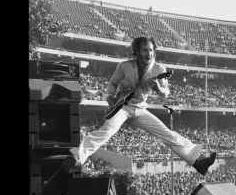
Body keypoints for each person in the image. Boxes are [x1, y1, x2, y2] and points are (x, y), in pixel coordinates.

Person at [65, 36, 216, 175]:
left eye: (151, 50)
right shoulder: (124, 66)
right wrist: (110, 97)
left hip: (140, 109)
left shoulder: (159, 70)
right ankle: (78, 157)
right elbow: (112, 84)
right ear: (137, 51)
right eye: (145, 50)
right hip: (122, 107)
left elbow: (166, 94)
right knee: (106, 132)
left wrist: (158, 88)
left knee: (167, 134)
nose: (149, 53)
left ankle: (197, 163)